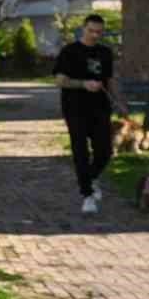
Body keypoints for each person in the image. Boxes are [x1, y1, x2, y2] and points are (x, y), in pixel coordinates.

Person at [52, 13, 120, 213]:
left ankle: (92, 177)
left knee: (105, 150)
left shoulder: (105, 52)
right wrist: (83, 84)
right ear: (83, 29)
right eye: (91, 31)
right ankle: (87, 195)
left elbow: (110, 80)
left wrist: (119, 101)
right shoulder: (70, 52)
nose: (94, 35)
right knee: (80, 152)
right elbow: (60, 80)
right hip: (75, 108)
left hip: (100, 107)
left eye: (99, 32)